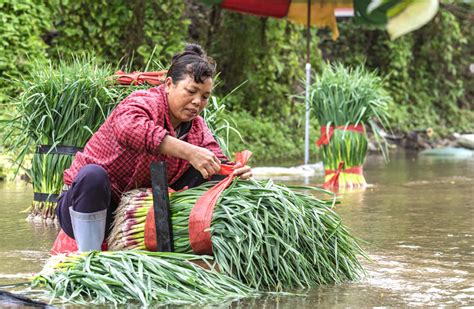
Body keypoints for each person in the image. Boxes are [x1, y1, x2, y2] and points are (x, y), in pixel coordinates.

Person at [56, 43, 252, 252]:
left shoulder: (197, 129)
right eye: (191, 91)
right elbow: (129, 129)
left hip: (134, 214)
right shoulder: (144, 101)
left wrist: (233, 172)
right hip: (85, 206)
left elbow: (217, 160)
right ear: (169, 84)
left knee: (207, 171)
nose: (197, 102)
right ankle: (90, 260)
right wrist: (189, 151)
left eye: (204, 97)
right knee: (92, 176)